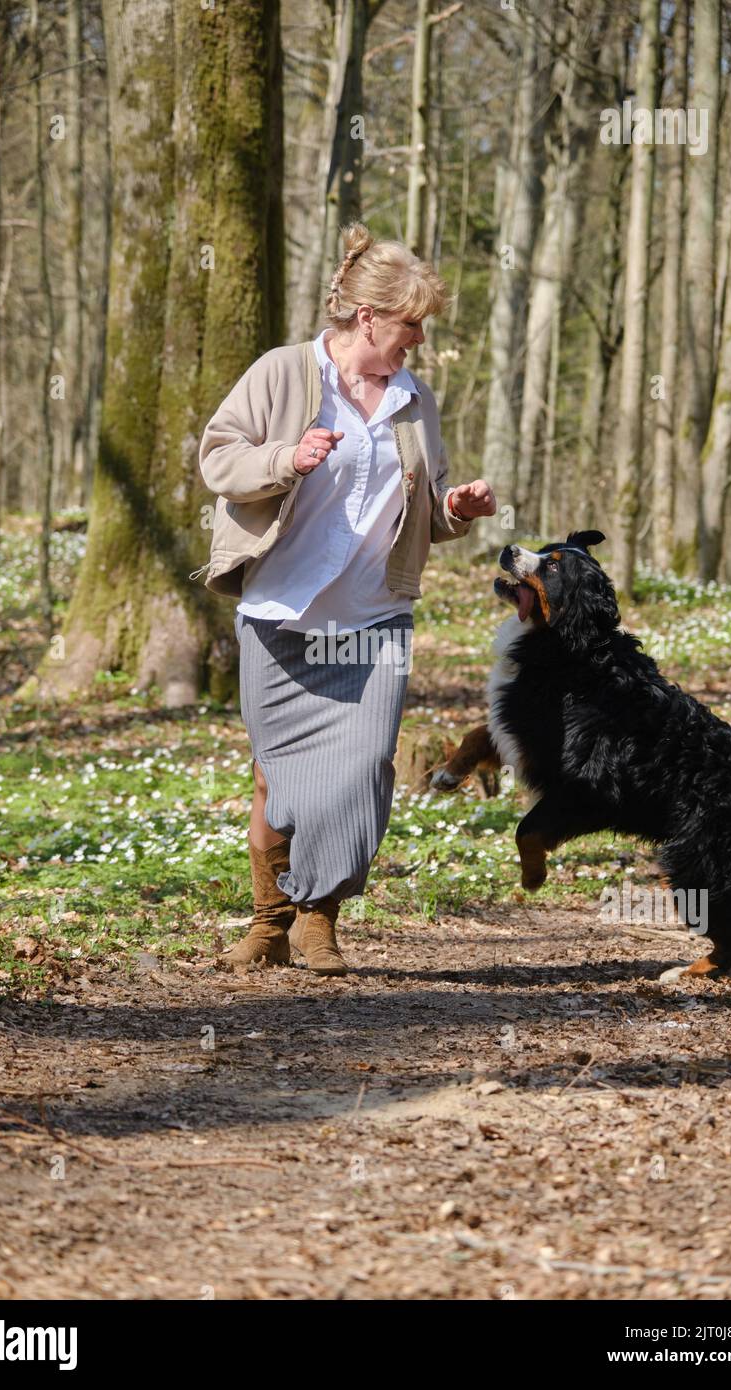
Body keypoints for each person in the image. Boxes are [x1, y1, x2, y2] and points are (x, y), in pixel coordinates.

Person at [196, 223, 496, 976]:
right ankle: (271, 921)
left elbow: (426, 508)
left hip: (371, 618)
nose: (418, 340)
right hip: (281, 612)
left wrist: (455, 507)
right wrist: (284, 459)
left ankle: (318, 918)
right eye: (411, 324)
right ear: (369, 317)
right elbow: (219, 457)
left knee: (363, 768)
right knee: (276, 774)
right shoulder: (283, 374)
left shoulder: (413, 399)